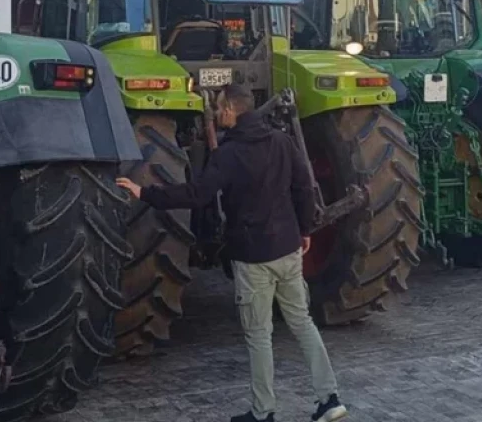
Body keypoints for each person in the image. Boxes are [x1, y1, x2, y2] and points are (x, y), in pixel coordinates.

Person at [116, 85, 348, 422]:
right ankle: (330, 399)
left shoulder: (229, 152)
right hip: (287, 248)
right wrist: (304, 231)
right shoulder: (282, 142)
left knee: (258, 335)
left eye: (220, 108)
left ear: (231, 111)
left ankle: (263, 411)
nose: (218, 113)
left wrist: (145, 192)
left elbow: (197, 194)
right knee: (301, 322)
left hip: (253, 256)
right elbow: (303, 189)